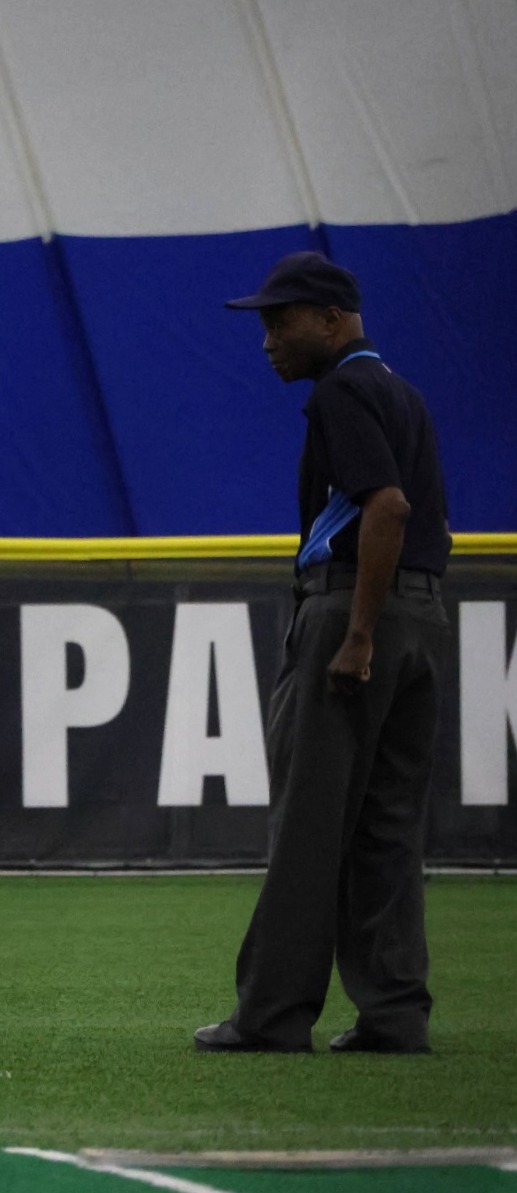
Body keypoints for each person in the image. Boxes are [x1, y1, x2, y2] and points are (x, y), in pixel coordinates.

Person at [196, 251, 450, 1054]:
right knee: (386, 824)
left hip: (353, 605)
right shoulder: (400, 392)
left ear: (331, 321)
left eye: (280, 320)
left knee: (310, 822)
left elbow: (386, 505)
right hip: (422, 614)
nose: (267, 338)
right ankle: (394, 1010)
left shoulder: (340, 390)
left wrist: (357, 634)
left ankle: (271, 1014)